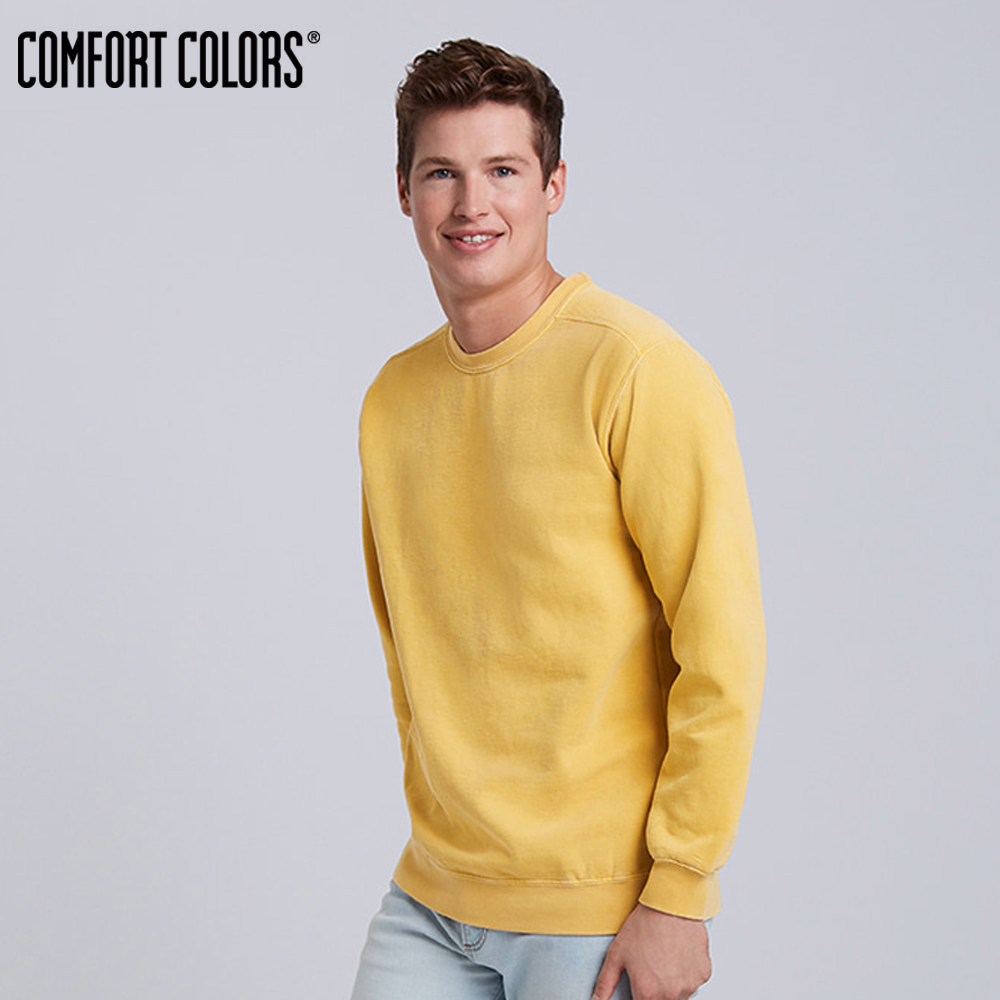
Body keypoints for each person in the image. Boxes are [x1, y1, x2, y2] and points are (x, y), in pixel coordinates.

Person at [350, 38, 765, 1000]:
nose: (472, 203)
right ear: (404, 192)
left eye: (503, 170)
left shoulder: (636, 370)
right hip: (433, 896)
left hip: (597, 909)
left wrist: (681, 893)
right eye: (441, 173)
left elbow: (722, 649)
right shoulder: (392, 400)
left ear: (554, 186)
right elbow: (411, 648)